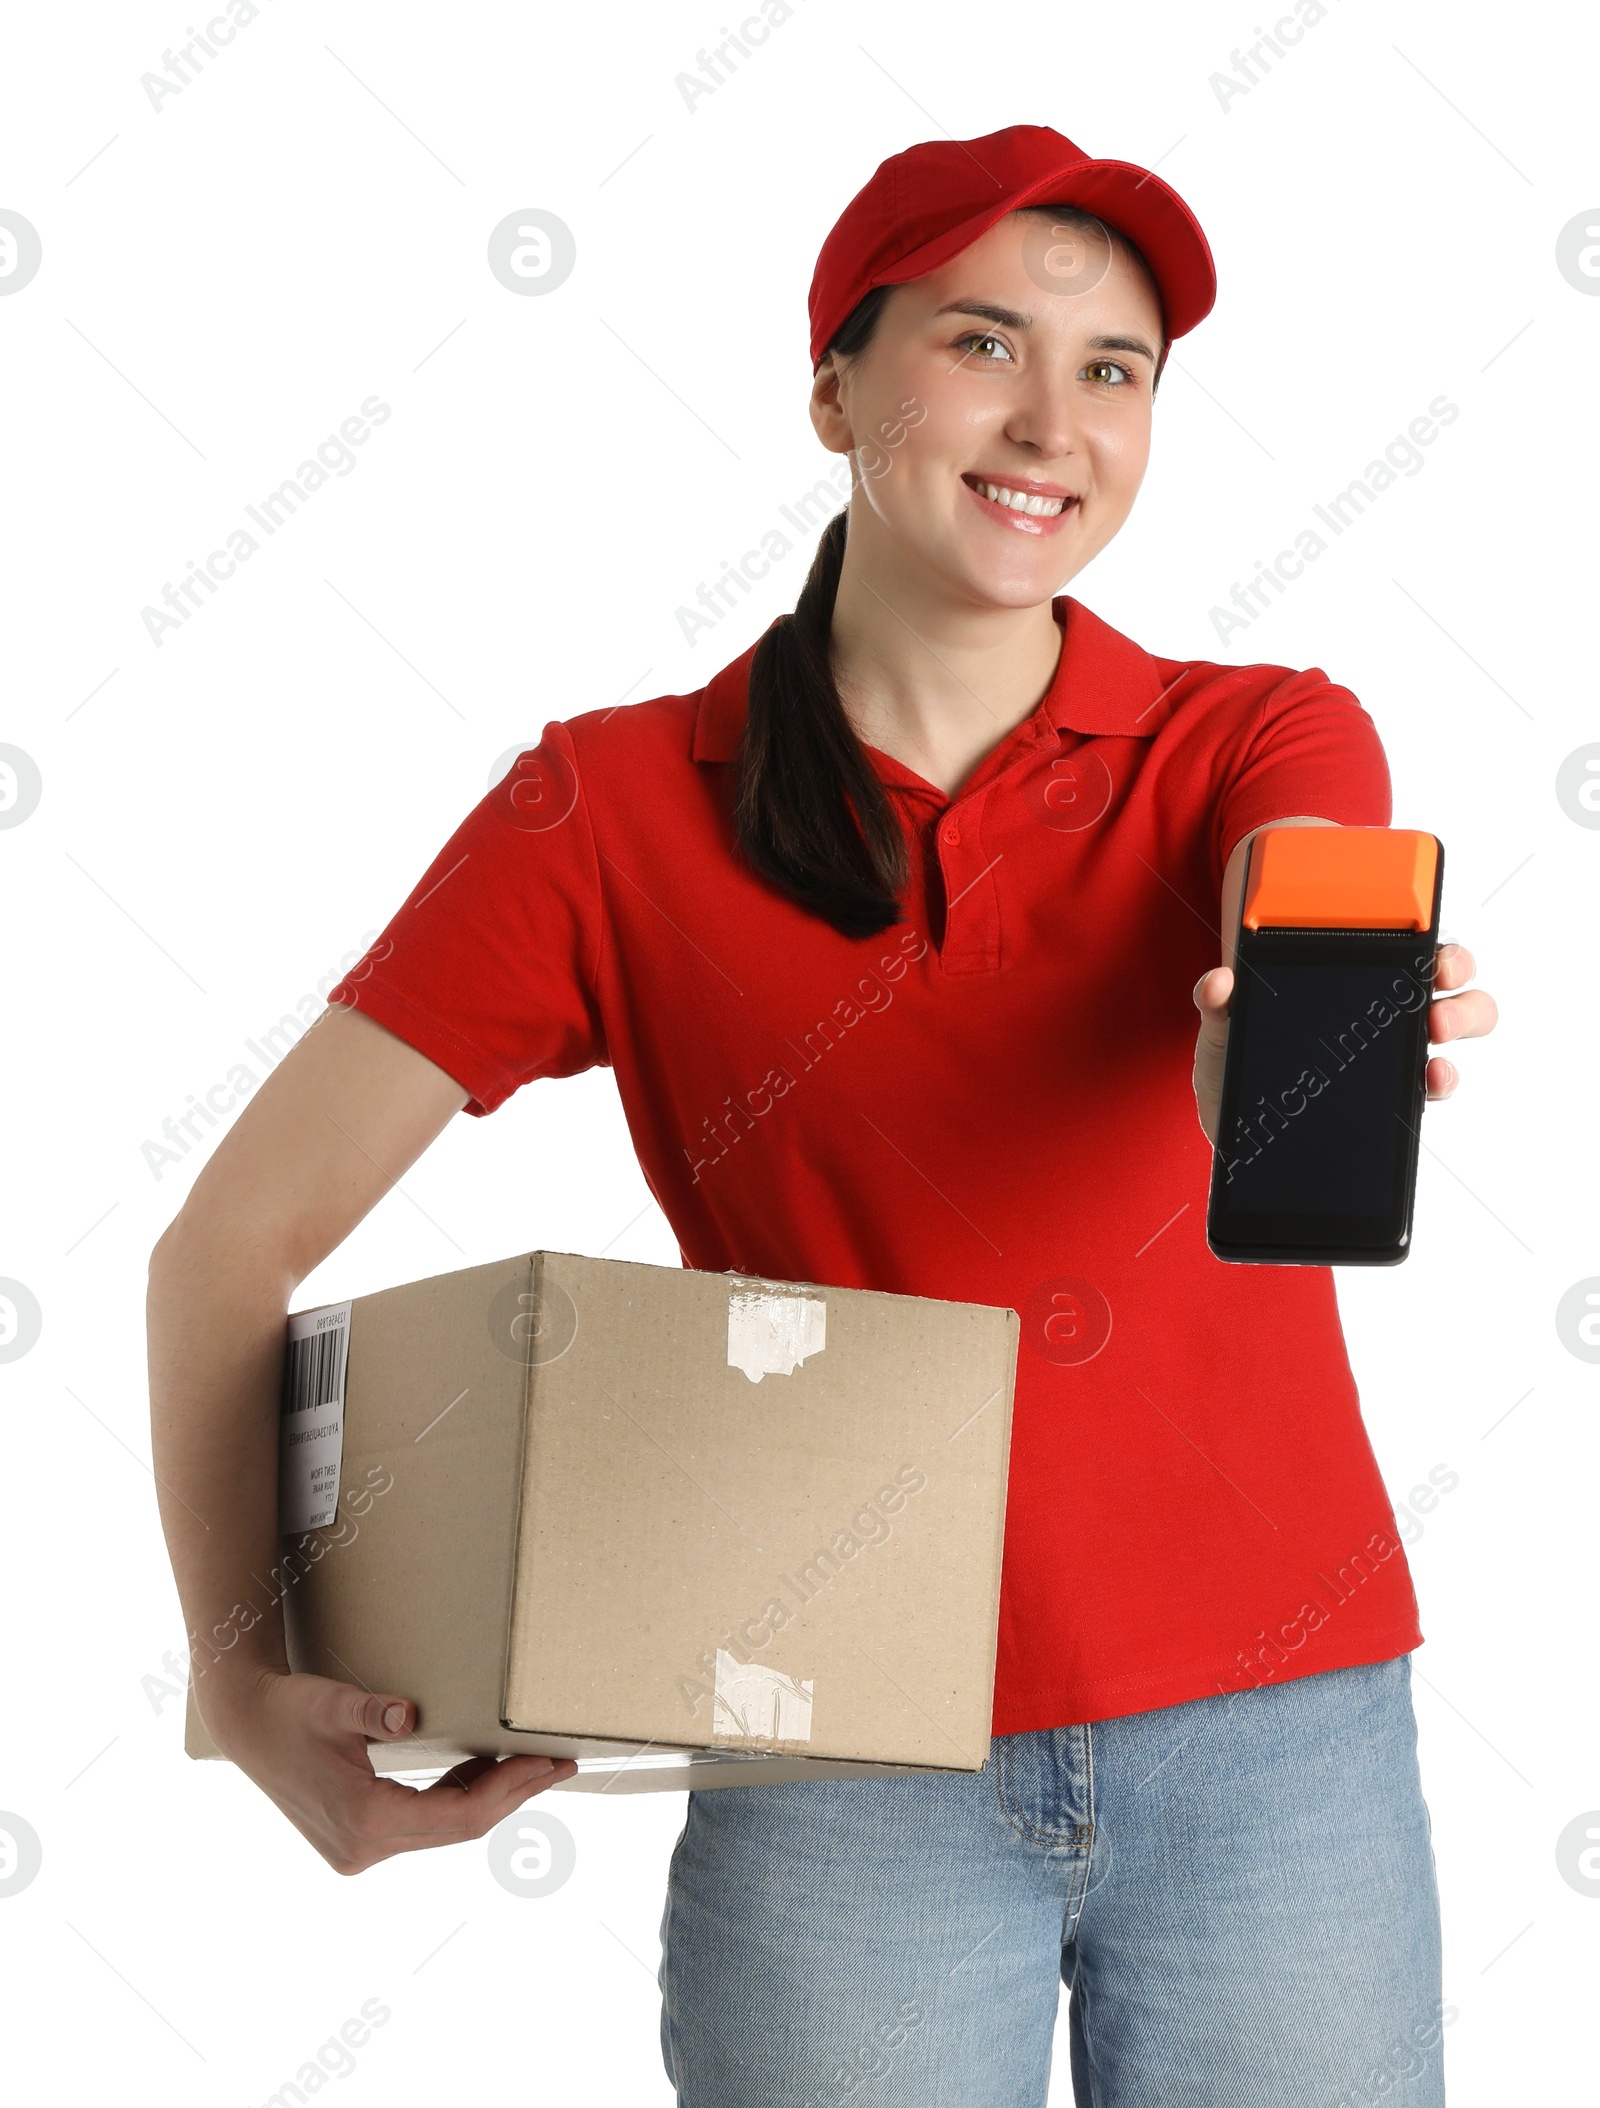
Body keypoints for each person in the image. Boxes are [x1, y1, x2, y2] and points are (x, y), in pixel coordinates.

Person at [146, 124, 1497, 2105]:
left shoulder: (1259, 733)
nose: (1052, 420)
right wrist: (233, 1667)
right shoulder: (604, 815)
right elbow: (224, 1250)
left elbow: (1280, 989)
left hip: (1277, 1736)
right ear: (832, 387)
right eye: (981, 343)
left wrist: (1281, 1065)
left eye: (1112, 370)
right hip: (832, 1756)